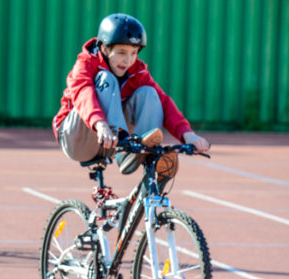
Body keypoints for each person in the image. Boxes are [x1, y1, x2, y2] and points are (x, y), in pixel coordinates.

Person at [53, 13, 210, 181]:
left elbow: (163, 103)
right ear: (105, 48)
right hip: (77, 139)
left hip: (111, 142)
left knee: (150, 93)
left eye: (134, 53)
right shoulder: (85, 64)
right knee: (106, 79)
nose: (128, 60)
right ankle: (124, 142)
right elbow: (83, 91)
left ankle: (146, 155)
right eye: (121, 52)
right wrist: (100, 124)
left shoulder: (137, 72)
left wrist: (187, 134)